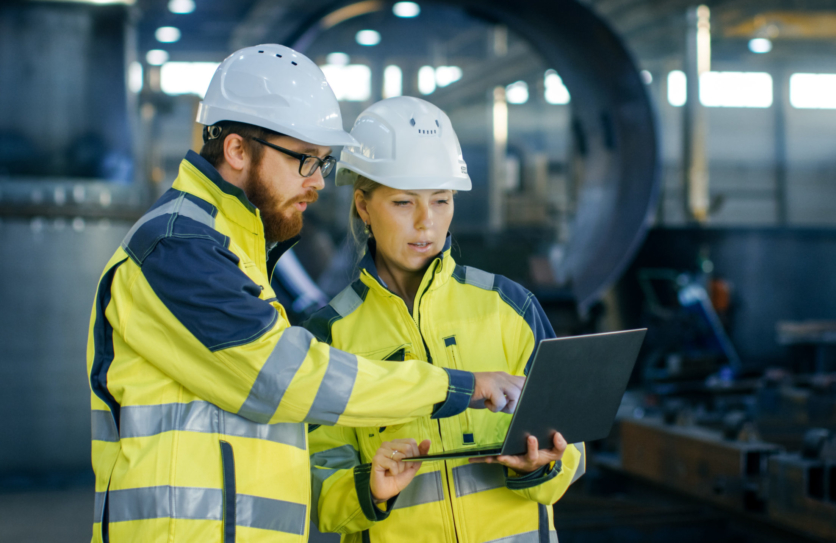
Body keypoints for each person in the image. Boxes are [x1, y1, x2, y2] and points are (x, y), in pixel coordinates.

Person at [85, 45, 524, 543]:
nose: (318, 182)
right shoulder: (178, 247)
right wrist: (454, 386)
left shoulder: (233, 246)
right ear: (236, 150)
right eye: (305, 160)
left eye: (323, 162)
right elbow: (285, 378)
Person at [303, 96, 586, 543]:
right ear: (363, 206)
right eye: (402, 203)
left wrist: (544, 464)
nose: (426, 223)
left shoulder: (509, 306)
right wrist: (370, 489)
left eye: (441, 200)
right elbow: (317, 484)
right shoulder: (330, 335)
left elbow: (573, 443)